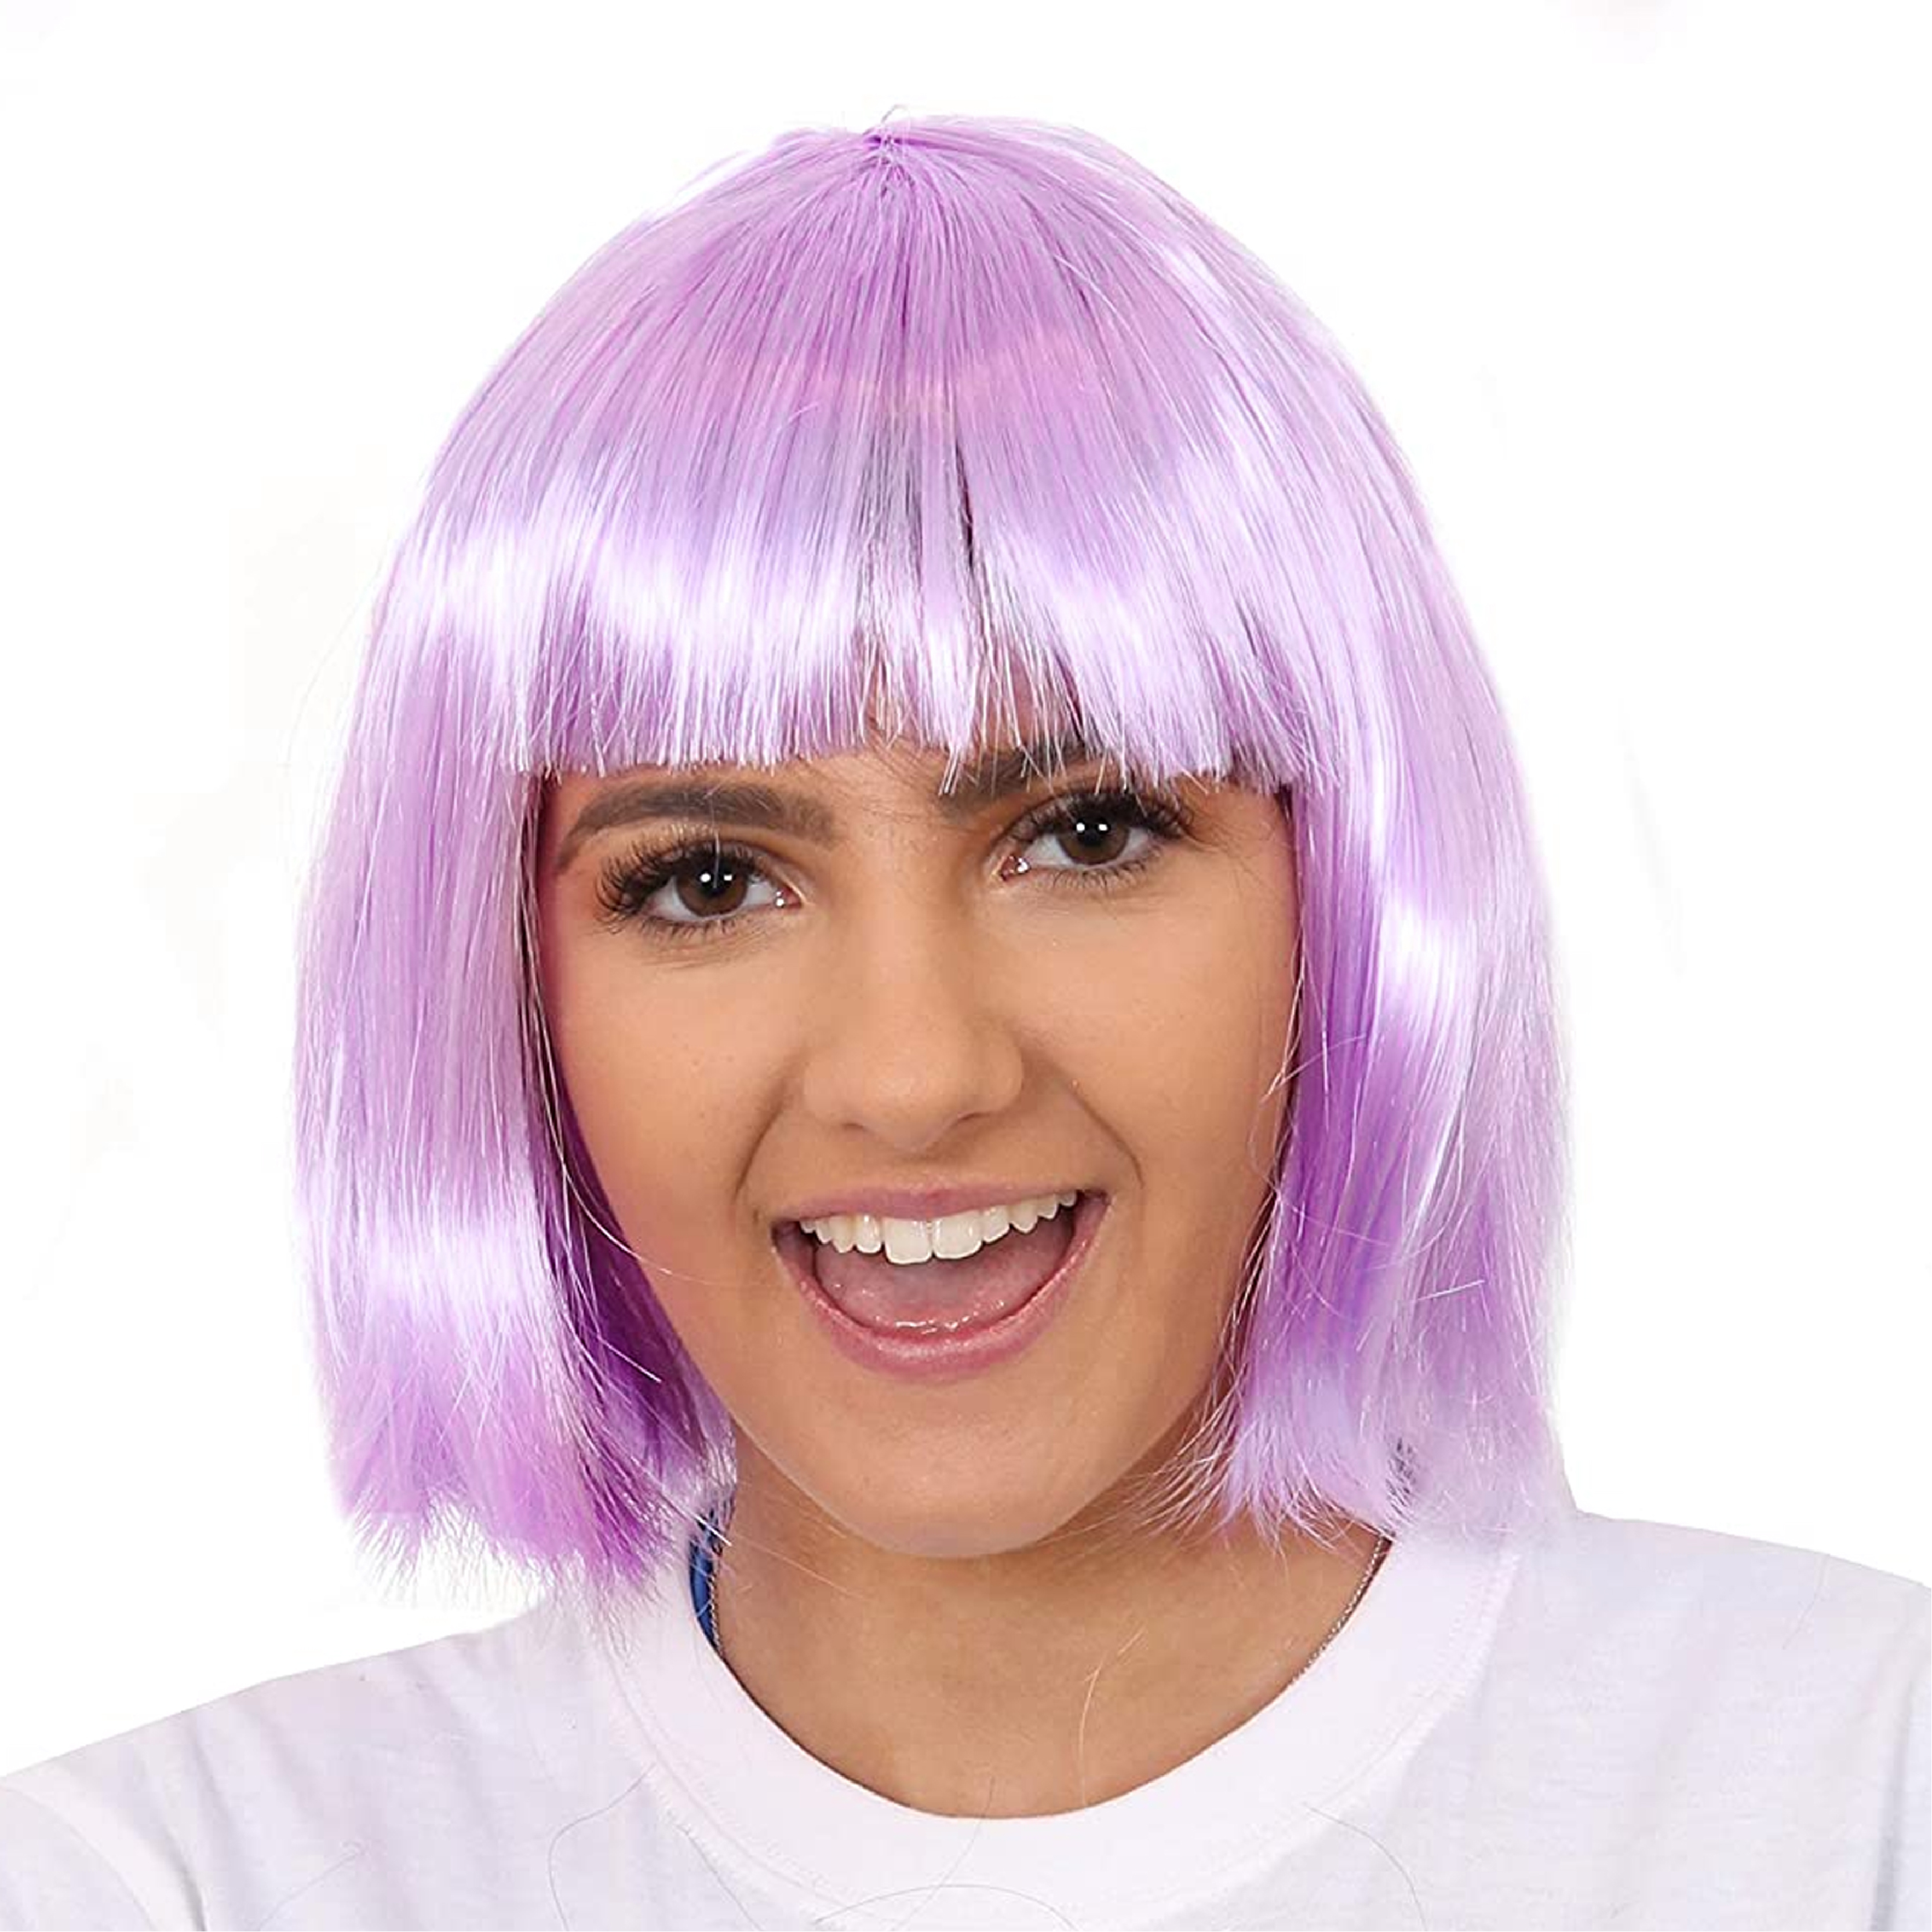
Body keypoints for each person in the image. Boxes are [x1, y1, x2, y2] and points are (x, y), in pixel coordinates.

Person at [2, 112, 1924, 1932]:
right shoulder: (170, 1889)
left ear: (1345, 897)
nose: (913, 1076)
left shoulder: (1859, 1811)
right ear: (510, 981)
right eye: (709, 880)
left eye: (1085, 833)